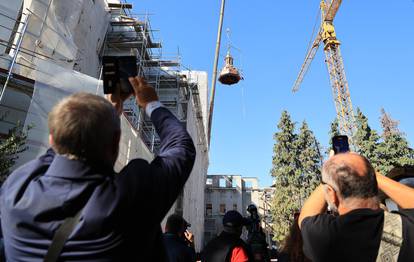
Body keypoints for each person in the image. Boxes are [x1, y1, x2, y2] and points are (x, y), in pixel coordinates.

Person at [0, 77, 196, 261]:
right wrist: (150, 103)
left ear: (52, 139)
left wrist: (107, 113)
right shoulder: (127, 200)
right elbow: (181, 146)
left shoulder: (15, 190)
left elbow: (59, 147)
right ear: (115, 142)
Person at [299, 152, 414, 262]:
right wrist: (374, 175)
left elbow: (306, 216)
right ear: (374, 182)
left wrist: (331, 176)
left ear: (331, 194)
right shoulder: (407, 227)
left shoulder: (323, 237)